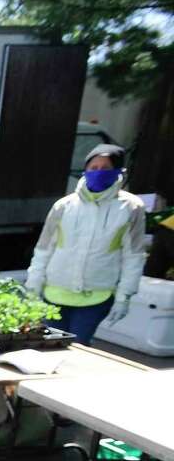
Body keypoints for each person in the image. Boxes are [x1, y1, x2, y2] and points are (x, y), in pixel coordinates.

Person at [25, 143, 147, 345]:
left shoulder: (131, 207)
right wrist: (33, 286)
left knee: (77, 347)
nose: (99, 172)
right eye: (94, 167)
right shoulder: (64, 206)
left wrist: (124, 297)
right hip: (54, 292)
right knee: (49, 346)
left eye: (105, 168)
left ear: (118, 171)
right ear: (85, 170)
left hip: (96, 295)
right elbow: (44, 249)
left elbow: (133, 256)